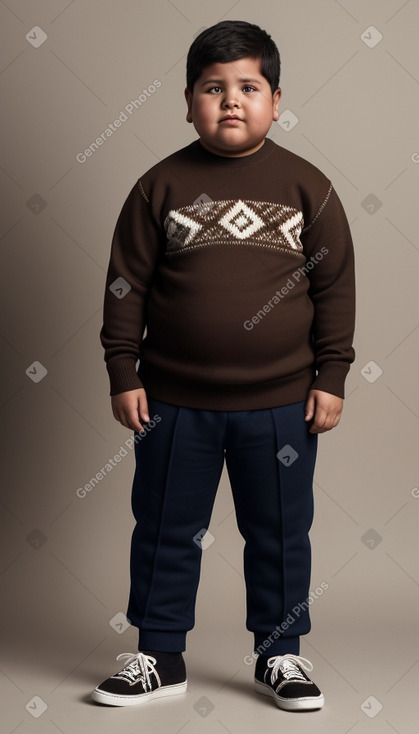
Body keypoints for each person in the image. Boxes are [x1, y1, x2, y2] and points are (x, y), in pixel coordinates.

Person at [92, 19, 355, 711]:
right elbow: (125, 285)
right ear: (187, 102)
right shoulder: (159, 186)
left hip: (280, 406)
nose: (230, 101)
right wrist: (124, 372)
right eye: (213, 88)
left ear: (275, 99)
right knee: (163, 530)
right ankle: (158, 653)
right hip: (173, 404)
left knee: (278, 533)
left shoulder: (308, 187)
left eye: (247, 87)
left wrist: (331, 379)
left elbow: (334, 288)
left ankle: (281, 656)